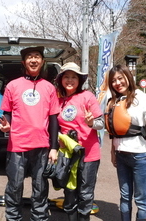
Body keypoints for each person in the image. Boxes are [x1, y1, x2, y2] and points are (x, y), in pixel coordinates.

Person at [0, 46, 60, 221]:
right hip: (17, 145)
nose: (33, 60)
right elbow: (7, 113)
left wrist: (54, 147)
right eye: (30, 57)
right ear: (24, 62)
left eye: (37, 56)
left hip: (42, 146)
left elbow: (54, 118)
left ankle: (39, 218)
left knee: (40, 188)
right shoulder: (13, 85)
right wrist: (6, 124)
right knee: (15, 187)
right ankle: (13, 218)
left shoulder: (49, 88)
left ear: (42, 61)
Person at [105, 65, 146, 221]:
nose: (117, 83)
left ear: (128, 77)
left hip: (140, 156)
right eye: (113, 80)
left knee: (141, 199)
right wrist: (112, 153)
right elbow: (113, 131)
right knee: (124, 197)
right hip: (121, 155)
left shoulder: (141, 98)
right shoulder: (113, 101)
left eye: (120, 78)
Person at [55, 62, 104, 221]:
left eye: (73, 77)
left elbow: (101, 123)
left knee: (85, 193)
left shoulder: (87, 96)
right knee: (69, 192)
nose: (70, 80)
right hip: (68, 155)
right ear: (61, 79)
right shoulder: (58, 99)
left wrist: (91, 123)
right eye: (66, 77)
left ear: (79, 80)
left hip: (88, 155)